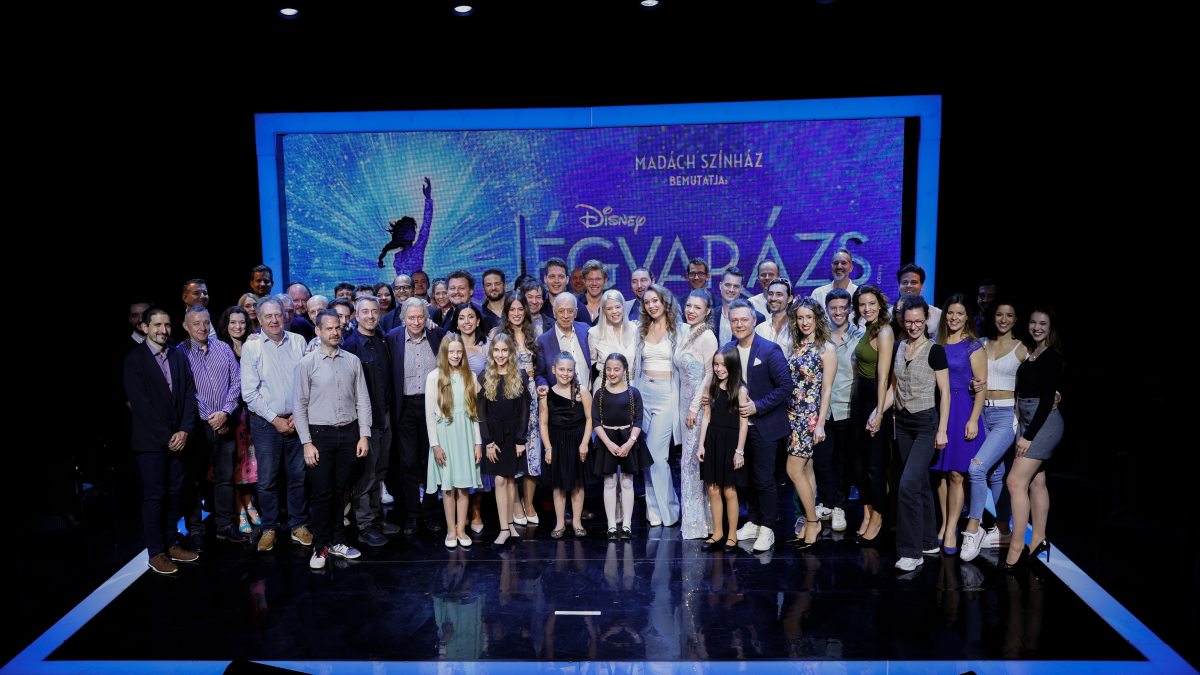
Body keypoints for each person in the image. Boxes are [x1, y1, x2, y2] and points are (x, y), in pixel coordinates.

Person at [294, 309, 372, 569]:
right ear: (318, 331)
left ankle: (338, 542)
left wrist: (364, 435)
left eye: (337, 327)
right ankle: (320, 547)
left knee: (341, 491)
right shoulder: (307, 364)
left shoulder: (352, 361)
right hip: (319, 435)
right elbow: (299, 405)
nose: (335, 332)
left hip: (348, 433)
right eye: (329, 328)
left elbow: (362, 400)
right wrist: (306, 443)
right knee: (322, 493)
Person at [124, 307, 199, 575]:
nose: (163, 330)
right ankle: (156, 552)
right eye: (157, 325)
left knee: (175, 493)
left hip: (179, 439)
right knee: (155, 496)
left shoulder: (177, 354)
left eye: (166, 325)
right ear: (145, 328)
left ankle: (172, 543)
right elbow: (141, 405)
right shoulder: (135, 359)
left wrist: (185, 430)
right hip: (151, 443)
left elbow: (189, 394)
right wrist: (167, 437)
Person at [881, 296, 951, 572]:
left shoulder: (935, 351)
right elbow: (893, 387)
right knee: (919, 483)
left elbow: (945, 393)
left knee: (907, 485)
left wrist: (942, 430)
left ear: (926, 321)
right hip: (902, 424)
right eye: (908, 321)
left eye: (918, 321)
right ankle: (928, 540)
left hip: (926, 424)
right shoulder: (899, 347)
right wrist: (878, 412)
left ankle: (911, 552)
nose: (913, 326)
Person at [241, 296, 311, 553]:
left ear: (285, 316)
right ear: (259, 319)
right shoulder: (252, 347)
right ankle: (270, 527)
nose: (273, 320)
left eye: (277, 315)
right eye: (267, 316)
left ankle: (298, 525)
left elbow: (306, 381)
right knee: (268, 478)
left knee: (298, 476)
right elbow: (249, 393)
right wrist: (275, 419)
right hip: (265, 423)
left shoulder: (298, 341)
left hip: (296, 418)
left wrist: (296, 414)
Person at [960, 300, 1027, 562]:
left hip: (1005, 416)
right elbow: (969, 374)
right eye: (999, 314)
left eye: (1009, 315)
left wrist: (1055, 394)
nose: (1003, 319)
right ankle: (1003, 530)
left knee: (976, 469)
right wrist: (971, 384)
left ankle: (973, 528)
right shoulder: (982, 343)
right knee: (996, 474)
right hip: (981, 412)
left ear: (1015, 319)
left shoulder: (1022, 348)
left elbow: (1035, 379)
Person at [727, 300, 795, 554]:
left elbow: (785, 387)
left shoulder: (769, 350)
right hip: (739, 428)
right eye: (735, 320)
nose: (739, 324)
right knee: (746, 479)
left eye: (744, 320)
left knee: (764, 479)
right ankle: (754, 521)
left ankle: (767, 528)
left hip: (765, 424)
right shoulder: (728, 350)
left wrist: (758, 406)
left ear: (754, 321)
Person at [1001, 307, 1064, 570]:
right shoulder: (1032, 353)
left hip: (1042, 424)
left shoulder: (1052, 356)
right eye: (1033, 322)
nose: (1037, 327)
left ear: (1051, 327)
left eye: (1043, 323)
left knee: (1015, 481)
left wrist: (1028, 436)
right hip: (1028, 419)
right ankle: (1039, 540)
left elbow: (1048, 399)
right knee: (1037, 481)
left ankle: (1017, 546)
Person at [178, 306, 244, 544]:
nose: (202, 328)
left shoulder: (223, 348)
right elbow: (188, 391)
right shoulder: (180, 353)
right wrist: (211, 417)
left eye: (206, 322)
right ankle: (195, 529)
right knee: (195, 479)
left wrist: (225, 413)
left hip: (225, 421)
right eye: (196, 323)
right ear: (186, 326)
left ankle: (224, 525)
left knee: (225, 478)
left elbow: (237, 381)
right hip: (198, 426)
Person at [930, 293, 987, 556]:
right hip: (938, 409)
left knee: (956, 474)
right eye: (950, 313)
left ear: (967, 317)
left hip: (963, 410)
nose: (954, 318)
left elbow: (981, 387)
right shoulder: (936, 343)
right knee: (940, 473)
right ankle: (944, 524)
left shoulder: (973, 346)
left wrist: (973, 419)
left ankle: (953, 527)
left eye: (959, 314)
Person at [386, 297, 448, 535]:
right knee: (408, 463)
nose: (416, 322)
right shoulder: (392, 338)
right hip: (405, 408)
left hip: (433, 408)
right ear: (403, 319)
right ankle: (413, 514)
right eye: (411, 317)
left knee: (431, 462)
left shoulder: (437, 335)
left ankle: (430, 512)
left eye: (420, 317)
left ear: (426, 318)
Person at [341, 294, 399, 548]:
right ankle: (364, 525)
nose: (370, 316)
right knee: (366, 474)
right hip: (365, 420)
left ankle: (376, 519)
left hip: (385, 415)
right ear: (356, 315)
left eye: (374, 311)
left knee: (380, 470)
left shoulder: (381, 339)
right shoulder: (350, 345)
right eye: (365, 312)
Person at [783, 297, 837, 550]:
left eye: (809, 317)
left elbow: (826, 390)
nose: (804, 322)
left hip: (809, 417)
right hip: (791, 414)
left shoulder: (826, 348)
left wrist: (820, 423)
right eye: (800, 317)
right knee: (806, 470)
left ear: (817, 319)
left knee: (793, 469)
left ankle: (813, 522)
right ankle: (807, 521)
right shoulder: (797, 346)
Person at [425, 335, 484, 548]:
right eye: (451, 352)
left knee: (464, 485)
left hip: (465, 434)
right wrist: (435, 445)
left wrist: (478, 443)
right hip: (445, 435)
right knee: (448, 486)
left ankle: (461, 529)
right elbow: (430, 415)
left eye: (459, 351)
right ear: (444, 353)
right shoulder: (434, 377)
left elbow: (475, 413)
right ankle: (451, 530)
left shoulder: (470, 376)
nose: (456, 355)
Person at [634, 284, 682, 528]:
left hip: (666, 395)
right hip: (644, 392)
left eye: (656, 301)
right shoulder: (641, 329)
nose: (651, 305)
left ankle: (670, 511)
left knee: (657, 454)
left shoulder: (679, 330)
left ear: (665, 302)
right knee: (646, 453)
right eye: (647, 302)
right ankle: (653, 511)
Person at [477, 333, 531, 545]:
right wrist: (488, 441)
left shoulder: (519, 375)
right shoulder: (485, 376)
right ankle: (503, 528)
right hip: (494, 436)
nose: (500, 355)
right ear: (492, 352)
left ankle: (510, 525)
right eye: (497, 350)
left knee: (510, 480)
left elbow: (524, 410)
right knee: (500, 479)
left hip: (513, 435)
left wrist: (521, 439)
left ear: (511, 352)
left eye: (504, 350)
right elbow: (481, 412)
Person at [850, 285, 893, 543]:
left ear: (880, 305)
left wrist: (878, 413)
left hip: (876, 399)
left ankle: (879, 516)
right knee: (858, 464)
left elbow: (884, 377)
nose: (867, 308)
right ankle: (867, 513)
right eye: (862, 304)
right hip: (860, 399)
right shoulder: (867, 329)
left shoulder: (885, 331)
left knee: (875, 465)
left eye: (871, 304)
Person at [591, 354, 651, 540]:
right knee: (609, 482)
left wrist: (630, 442)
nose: (612, 373)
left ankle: (626, 524)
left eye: (616, 369)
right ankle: (611, 525)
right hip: (607, 440)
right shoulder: (600, 394)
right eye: (608, 369)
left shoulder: (633, 393)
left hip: (627, 439)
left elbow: (638, 420)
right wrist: (608, 443)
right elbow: (596, 421)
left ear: (624, 370)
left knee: (626, 482)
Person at [697, 347, 748, 552]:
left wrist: (739, 451)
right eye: (716, 364)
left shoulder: (740, 390)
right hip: (713, 439)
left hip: (731, 442)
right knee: (713, 488)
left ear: (732, 365)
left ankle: (732, 534)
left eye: (723, 365)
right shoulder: (711, 386)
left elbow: (743, 423)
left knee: (729, 490)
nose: (719, 369)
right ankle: (717, 533)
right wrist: (701, 444)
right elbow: (706, 417)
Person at [677, 289, 718, 540]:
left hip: (698, 408)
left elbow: (710, 374)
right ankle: (698, 520)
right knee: (688, 462)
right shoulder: (687, 332)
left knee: (693, 463)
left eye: (697, 307)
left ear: (707, 311)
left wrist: (694, 407)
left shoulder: (708, 336)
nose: (691, 311)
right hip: (684, 405)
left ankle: (700, 523)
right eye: (689, 306)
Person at [540, 352, 593, 539]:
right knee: (559, 485)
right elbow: (543, 423)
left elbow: (590, 419)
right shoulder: (546, 395)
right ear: (554, 370)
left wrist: (585, 443)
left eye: (569, 370)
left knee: (578, 484)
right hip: (557, 443)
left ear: (574, 371)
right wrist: (548, 447)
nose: (565, 373)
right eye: (561, 369)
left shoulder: (582, 392)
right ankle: (560, 523)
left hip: (577, 441)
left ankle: (577, 522)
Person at [378, 177, 434, 275]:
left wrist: (428, 199)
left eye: (413, 228)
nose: (414, 231)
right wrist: (380, 259)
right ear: (404, 233)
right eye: (411, 229)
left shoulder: (418, 247)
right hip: (399, 284)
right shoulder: (398, 255)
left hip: (415, 284)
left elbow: (426, 224)